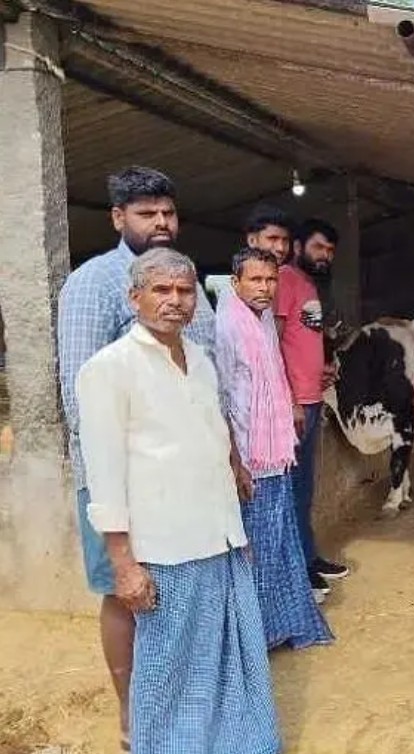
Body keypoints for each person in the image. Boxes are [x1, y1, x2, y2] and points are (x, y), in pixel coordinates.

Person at [76, 248, 281, 754]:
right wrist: (124, 564)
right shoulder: (109, 370)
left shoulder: (201, 361)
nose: (175, 300)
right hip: (165, 549)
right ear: (135, 298)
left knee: (226, 659)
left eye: (185, 291)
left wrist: (235, 525)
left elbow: (216, 442)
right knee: (168, 669)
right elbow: (105, 478)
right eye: (161, 290)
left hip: (218, 540)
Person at [56, 166, 217, 748]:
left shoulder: (181, 278)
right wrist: (115, 489)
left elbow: (208, 373)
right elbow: (80, 396)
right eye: (147, 213)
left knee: (176, 588)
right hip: (121, 480)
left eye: (168, 212)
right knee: (124, 591)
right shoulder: (93, 283)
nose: (161, 222)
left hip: (185, 478)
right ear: (118, 217)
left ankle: (178, 702)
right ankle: (132, 716)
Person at [216, 247, 334, 649]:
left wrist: (291, 405)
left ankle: (282, 626)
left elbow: (276, 369)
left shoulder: (263, 318)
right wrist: (235, 461)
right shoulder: (227, 326)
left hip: (275, 451)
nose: (265, 288)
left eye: (270, 280)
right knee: (258, 549)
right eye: (256, 280)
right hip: (250, 455)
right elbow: (221, 398)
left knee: (280, 541)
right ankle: (257, 637)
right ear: (236, 283)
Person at [274, 218, 348, 598]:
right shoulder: (284, 280)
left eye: (330, 251)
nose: (325, 256)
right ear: (298, 247)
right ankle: (296, 571)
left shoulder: (310, 286)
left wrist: (323, 370)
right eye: (318, 247)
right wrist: (289, 399)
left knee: (304, 489)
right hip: (295, 405)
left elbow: (302, 342)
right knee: (290, 491)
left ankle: (308, 557)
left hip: (312, 397)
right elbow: (272, 342)